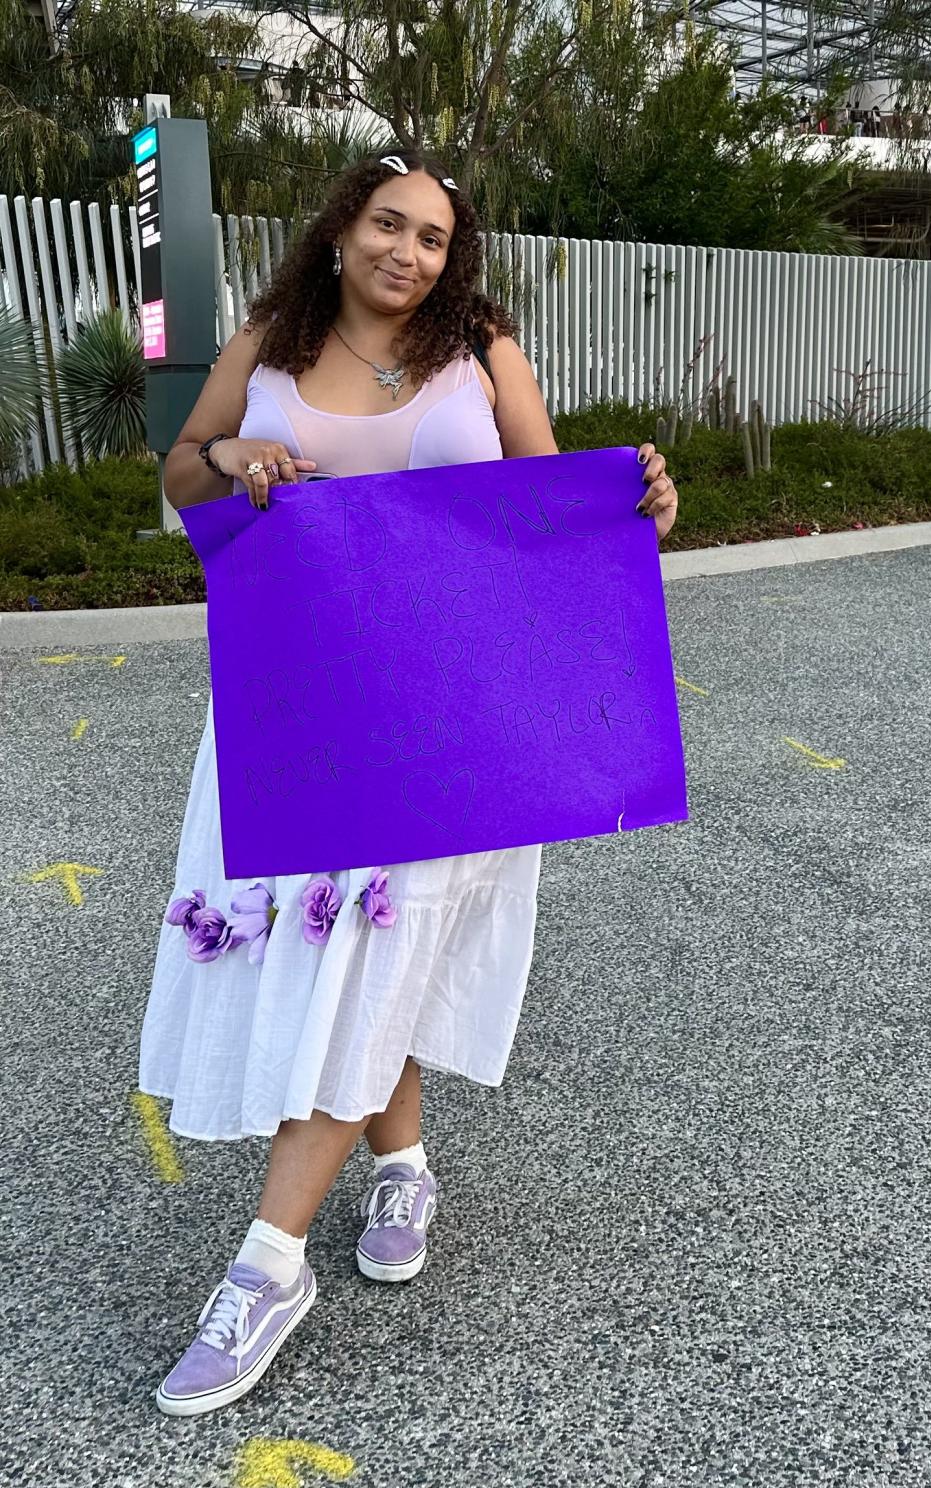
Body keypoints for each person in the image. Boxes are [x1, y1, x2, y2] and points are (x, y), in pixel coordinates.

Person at [138, 147, 679, 1418]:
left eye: (434, 237)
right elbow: (180, 473)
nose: (408, 252)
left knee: (375, 953)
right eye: (388, 224)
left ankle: (269, 1263)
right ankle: (408, 1165)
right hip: (297, 711)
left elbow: (549, 504)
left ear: (453, 259)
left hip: (455, 718)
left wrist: (633, 500)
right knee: (345, 953)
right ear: (341, 232)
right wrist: (230, 465)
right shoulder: (273, 337)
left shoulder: (481, 348)